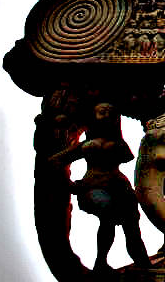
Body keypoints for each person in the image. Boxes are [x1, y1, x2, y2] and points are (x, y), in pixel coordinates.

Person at [49, 102, 149, 271]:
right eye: (102, 112)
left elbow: (134, 159)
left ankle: (142, 261)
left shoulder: (119, 144)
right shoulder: (87, 145)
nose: (107, 115)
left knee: (131, 224)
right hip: (93, 187)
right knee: (107, 214)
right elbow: (55, 161)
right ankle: (101, 260)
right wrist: (69, 184)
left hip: (120, 187)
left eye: (110, 112)